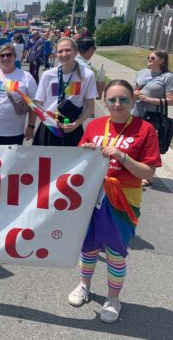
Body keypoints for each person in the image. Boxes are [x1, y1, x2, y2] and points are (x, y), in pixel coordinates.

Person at [68, 79, 161, 323]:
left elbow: (148, 174)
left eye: (123, 99)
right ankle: (84, 285)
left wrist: (122, 157)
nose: (117, 104)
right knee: (87, 247)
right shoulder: (95, 125)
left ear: (132, 101)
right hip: (91, 196)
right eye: (112, 99)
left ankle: (113, 298)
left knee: (116, 253)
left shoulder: (145, 130)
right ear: (104, 101)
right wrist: (86, 150)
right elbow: (78, 162)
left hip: (123, 200)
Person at [33, 37, 97, 146]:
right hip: (51, 126)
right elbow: (38, 104)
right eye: (60, 51)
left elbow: (91, 107)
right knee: (46, 161)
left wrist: (76, 124)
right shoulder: (48, 75)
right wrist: (49, 121)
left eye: (68, 50)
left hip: (73, 126)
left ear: (76, 52)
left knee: (72, 162)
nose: (64, 54)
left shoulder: (87, 75)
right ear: (56, 54)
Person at [131, 50, 173, 186]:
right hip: (136, 113)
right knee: (135, 143)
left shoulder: (167, 77)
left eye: (152, 57)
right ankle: (135, 171)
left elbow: (170, 101)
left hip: (153, 116)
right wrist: (134, 93)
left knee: (150, 147)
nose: (149, 59)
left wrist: (149, 99)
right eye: (148, 57)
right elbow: (133, 88)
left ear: (162, 60)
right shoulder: (142, 73)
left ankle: (148, 176)